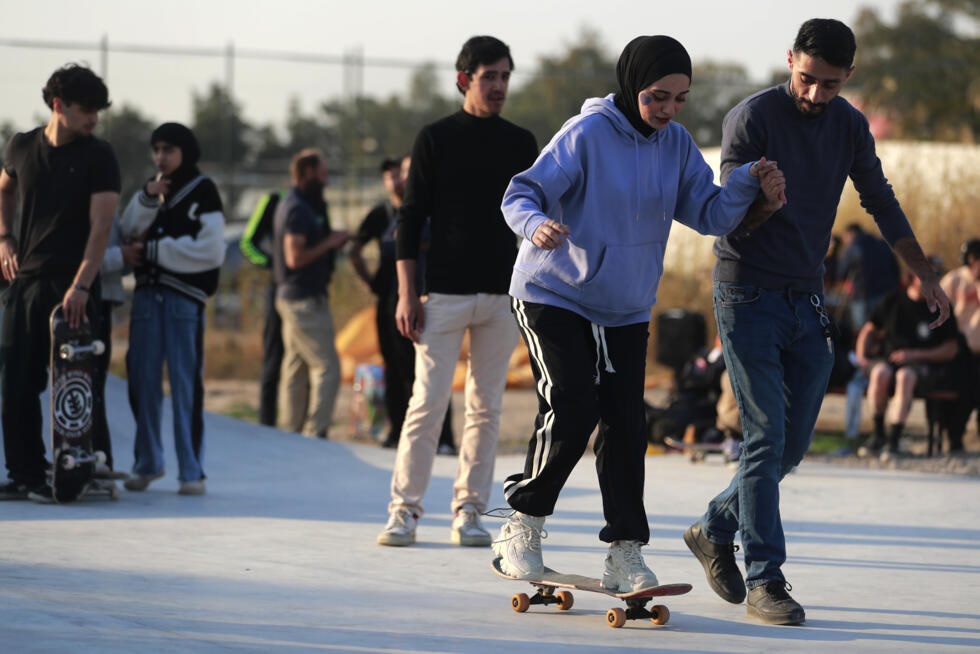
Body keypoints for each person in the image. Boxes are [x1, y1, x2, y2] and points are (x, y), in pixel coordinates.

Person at [491, 35, 784, 592]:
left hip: (624, 305)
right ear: (631, 87)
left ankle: (625, 550)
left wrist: (746, 182)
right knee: (573, 406)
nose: (667, 111)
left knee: (628, 424)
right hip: (553, 292)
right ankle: (522, 523)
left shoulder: (675, 145)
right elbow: (519, 194)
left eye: (680, 99)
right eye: (657, 97)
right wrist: (536, 225)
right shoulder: (587, 134)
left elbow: (711, 214)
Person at [685, 19, 951, 626]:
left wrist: (924, 275)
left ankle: (713, 526)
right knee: (764, 437)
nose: (814, 95)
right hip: (745, 291)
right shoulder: (751, 119)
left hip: (806, 297)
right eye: (806, 79)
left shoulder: (850, 124)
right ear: (790, 62)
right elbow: (726, 219)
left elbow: (879, 199)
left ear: (848, 77)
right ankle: (765, 579)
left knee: (791, 445)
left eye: (829, 84)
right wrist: (763, 205)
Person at [376, 35, 538, 548]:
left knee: (486, 407)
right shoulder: (435, 138)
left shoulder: (520, 142)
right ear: (464, 79)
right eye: (489, 75)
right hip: (441, 294)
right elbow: (410, 217)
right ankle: (404, 510)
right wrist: (407, 293)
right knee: (426, 403)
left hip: (500, 294)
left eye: (506, 76)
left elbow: (538, 213)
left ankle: (469, 510)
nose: (499, 85)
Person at [0, 63, 120, 503]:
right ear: (58, 106)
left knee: (78, 384)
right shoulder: (21, 146)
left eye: (98, 110)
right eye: (86, 109)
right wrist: (4, 236)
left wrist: (82, 286)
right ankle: (25, 473)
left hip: (75, 288)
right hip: (26, 282)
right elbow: (3, 189)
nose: (93, 118)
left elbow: (101, 227)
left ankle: (84, 466)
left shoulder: (98, 155)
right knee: (16, 382)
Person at [120, 122, 225, 496]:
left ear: (185, 151)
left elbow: (210, 251)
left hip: (183, 301)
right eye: (157, 149)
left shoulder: (204, 191)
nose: (161, 157)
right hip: (147, 298)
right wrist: (147, 197)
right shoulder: (151, 190)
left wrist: (154, 252)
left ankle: (191, 470)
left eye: (169, 150)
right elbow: (126, 232)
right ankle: (148, 463)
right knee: (143, 381)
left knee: (184, 384)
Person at [349, 155, 456, 452]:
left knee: (431, 370)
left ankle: (442, 438)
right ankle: (398, 432)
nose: (400, 180)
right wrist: (372, 284)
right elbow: (354, 249)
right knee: (395, 370)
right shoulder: (382, 214)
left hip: (428, 298)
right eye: (395, 175)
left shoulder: (433, 210)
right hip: (391, 302)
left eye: (405, 173)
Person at [272, 148, 350, 439]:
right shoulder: (296, 208)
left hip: (296, 298)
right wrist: (330, 243)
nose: (326, 179)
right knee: (328, 367)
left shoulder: (305, 204)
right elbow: (295, 258)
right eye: (323, 173)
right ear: (307, 173)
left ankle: (289, 433)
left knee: (296, 368)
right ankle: (315, 434)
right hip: (303, 301)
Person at [855, 267, 960, 459]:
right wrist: (862, 357)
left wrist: (915, 355)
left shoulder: (942, 307)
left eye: (935, 278)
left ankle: (893, 441)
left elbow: (951, 348)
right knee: (880, 374)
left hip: (921, 367)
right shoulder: (893, 300)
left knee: (906, 376)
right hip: (888, 362)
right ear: (913, 277)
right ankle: (878, 435)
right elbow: (869, 329)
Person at [836, 223, 901, 440]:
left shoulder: (854, 245)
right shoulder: (883, 244)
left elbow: (842, 271)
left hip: (863, 297)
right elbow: (896, 270)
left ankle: (862, 370)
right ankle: (877, 364)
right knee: (881, 334)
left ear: (850, 234)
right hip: (887, 297)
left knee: (862, 333)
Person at [240, 190, 284, 427]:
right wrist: (273, 264)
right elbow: (248, 243)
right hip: (278, 291)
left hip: (309, 293)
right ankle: (267, 422)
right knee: (274, 357)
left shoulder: (317, 201)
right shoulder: (274, 200)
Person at [940, 238, 980, 440]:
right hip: (961, 350)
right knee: (960, 397)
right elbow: (939, 309)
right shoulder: (955, 280)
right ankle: (954, 436)